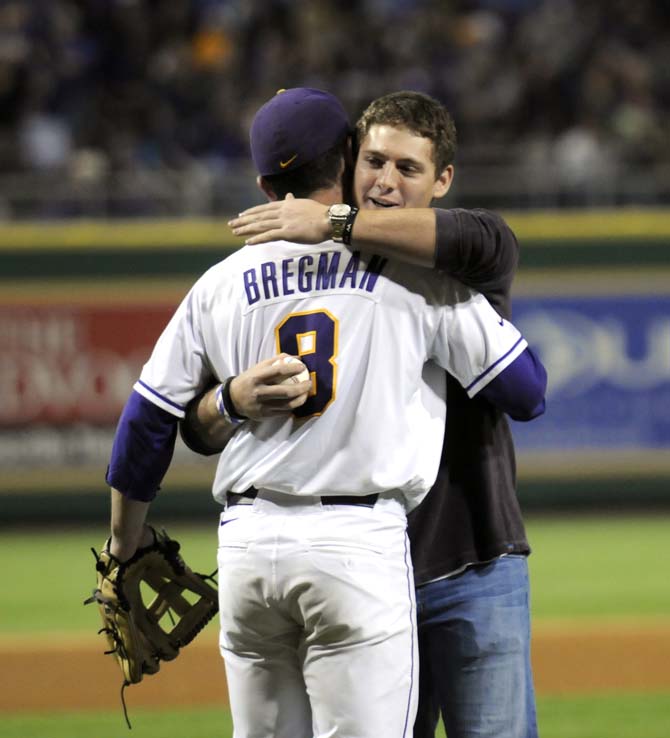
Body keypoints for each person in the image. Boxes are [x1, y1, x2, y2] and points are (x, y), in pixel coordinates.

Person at [106, 88, 546, 738]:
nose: (386, 180)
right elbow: (527, 390)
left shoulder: (226, 280)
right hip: (363, 547)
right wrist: (230, 399)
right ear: (345, 160)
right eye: (374, 162)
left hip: (448, 556)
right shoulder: (419, 283)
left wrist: (123, 544)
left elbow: (146, 425)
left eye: (408, 169)